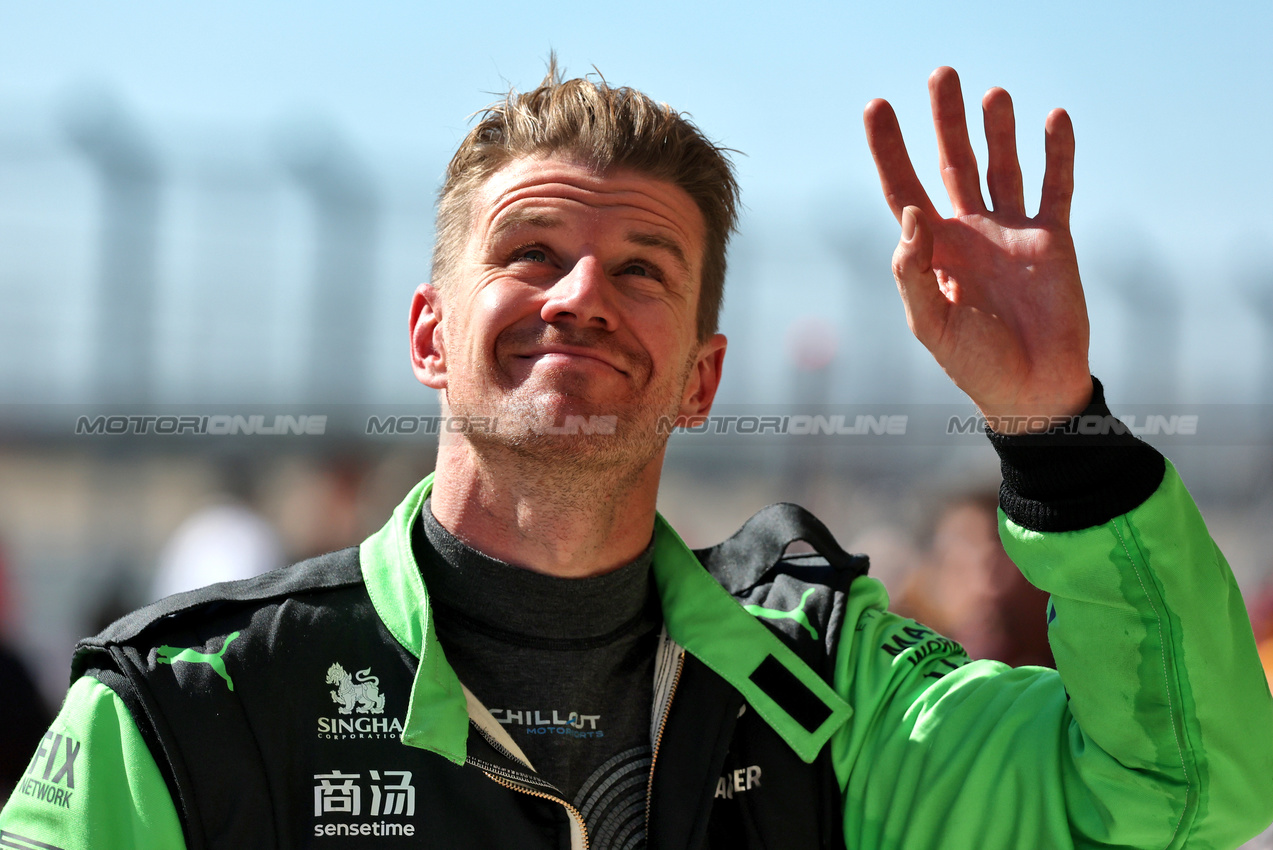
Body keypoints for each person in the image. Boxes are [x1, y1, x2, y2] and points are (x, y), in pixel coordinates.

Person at [3, 62, 1272, 849]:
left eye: (644, 269)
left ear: (702, 380)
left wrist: (1059, 427)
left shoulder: (830, 700)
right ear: (429, 335)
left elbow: (1190, 792)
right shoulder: (189, 712)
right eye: (531, 251)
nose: (582, 294)